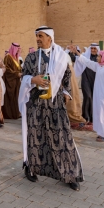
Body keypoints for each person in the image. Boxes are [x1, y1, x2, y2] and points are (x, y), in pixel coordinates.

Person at [19, 26, 83, 191]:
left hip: (55, 106)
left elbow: (67, 78)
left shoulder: (62, 57)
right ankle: (31, 167)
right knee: (35, 138)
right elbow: (23, 77)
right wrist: (34, 80)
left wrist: (67, 93)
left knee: (62, 139)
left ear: (49, 38)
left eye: (41, 36)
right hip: (36, 104)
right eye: (37, 36)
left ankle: (69, 174)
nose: (38, 39)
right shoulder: (31, 58)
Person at [73, 47, 104, 142]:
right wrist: (78, 54)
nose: (97, 58)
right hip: (98, 94)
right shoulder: (99, 66)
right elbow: (88, 62)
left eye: (99, 56)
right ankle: (102, 133)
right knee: (99, 114)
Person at [73, 43, 99, 122]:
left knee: (95, 98)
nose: (93, 50)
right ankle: (86, 116)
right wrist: (74, 52)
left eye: (95, 49)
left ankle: (93, 116)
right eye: (92, 48)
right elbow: (77, 59)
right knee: (88, 97)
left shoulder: (100, 58)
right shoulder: (85, 56)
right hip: (86, 80)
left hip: (96, 81)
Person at [2, 43, 22, 120]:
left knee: (16, 97)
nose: (18, 50)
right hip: (10, 81)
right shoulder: (8, 57)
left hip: (16, 81)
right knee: (10, 97)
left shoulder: (16, 58)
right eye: (17, 49)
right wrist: (17, 74)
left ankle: (16, 113)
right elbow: (7, 69)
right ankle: (9, 114)